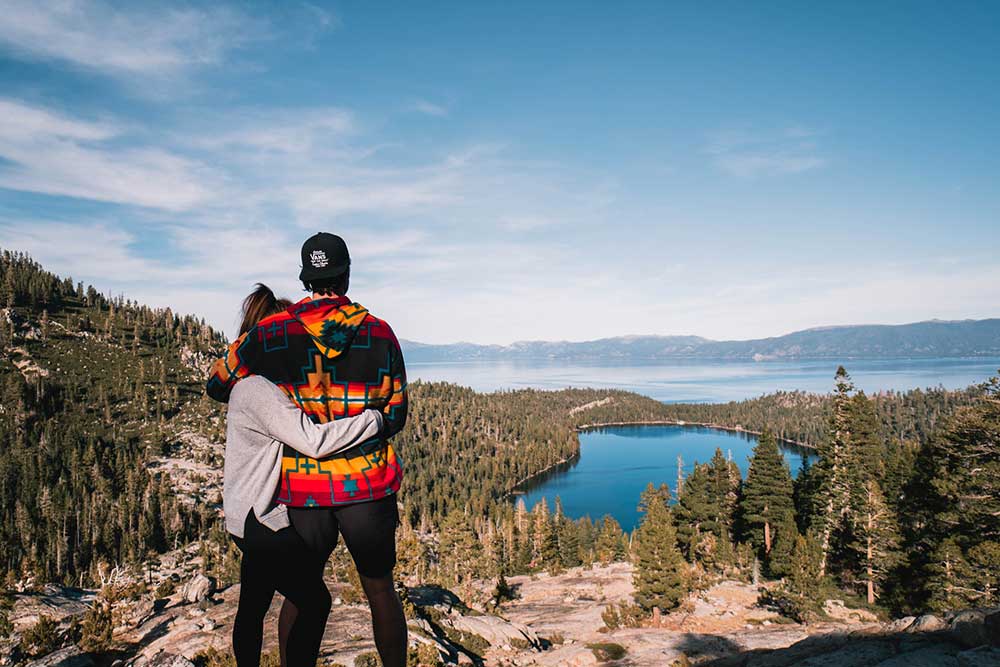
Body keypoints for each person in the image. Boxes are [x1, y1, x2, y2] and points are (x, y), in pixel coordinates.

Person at [207, 233, 409, 667]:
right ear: (347, 273)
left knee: (303, 593)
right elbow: (395, 413)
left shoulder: (270, 333)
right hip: (367, 489)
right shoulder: (379, 333)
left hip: (304, 491)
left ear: (305, 279)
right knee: (379, 589)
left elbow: (218, 383)